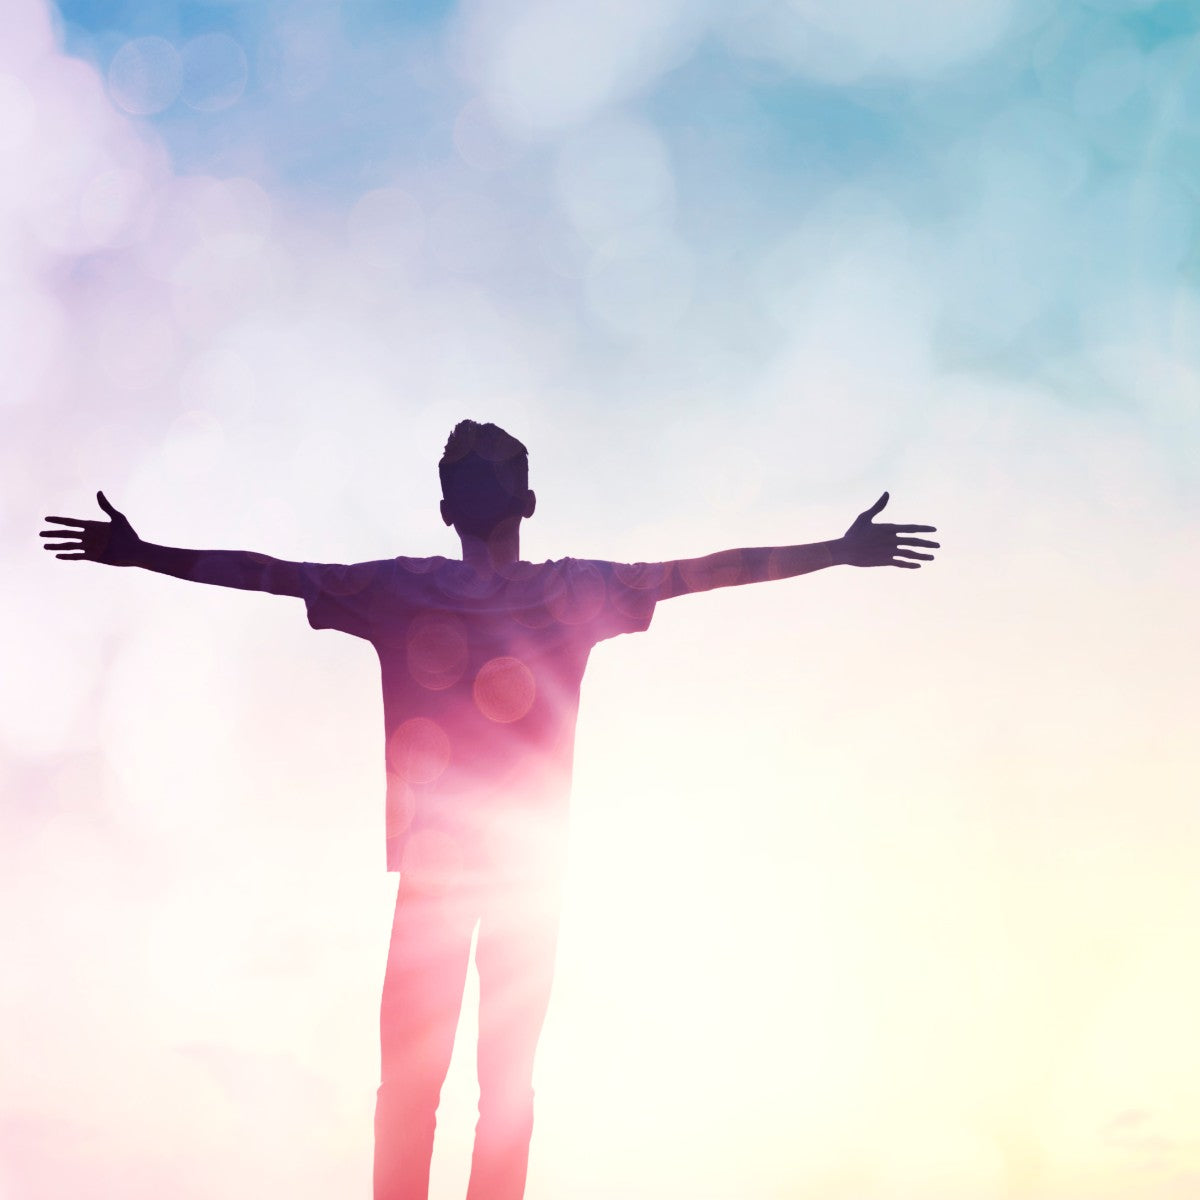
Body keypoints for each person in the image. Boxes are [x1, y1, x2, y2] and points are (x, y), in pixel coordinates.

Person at [42, 420, 938, 1200]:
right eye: (459, 477)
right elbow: (271, 574)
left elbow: (702, 573)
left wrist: (833, 550)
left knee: (491, 1082)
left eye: (482, 473)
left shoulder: (564, 590)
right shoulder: (416, 589)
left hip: (521, 874)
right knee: (416, 1083)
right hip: (447, 873)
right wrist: (144, 552)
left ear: (524, 499)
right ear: (454, 507)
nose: (469, 487)